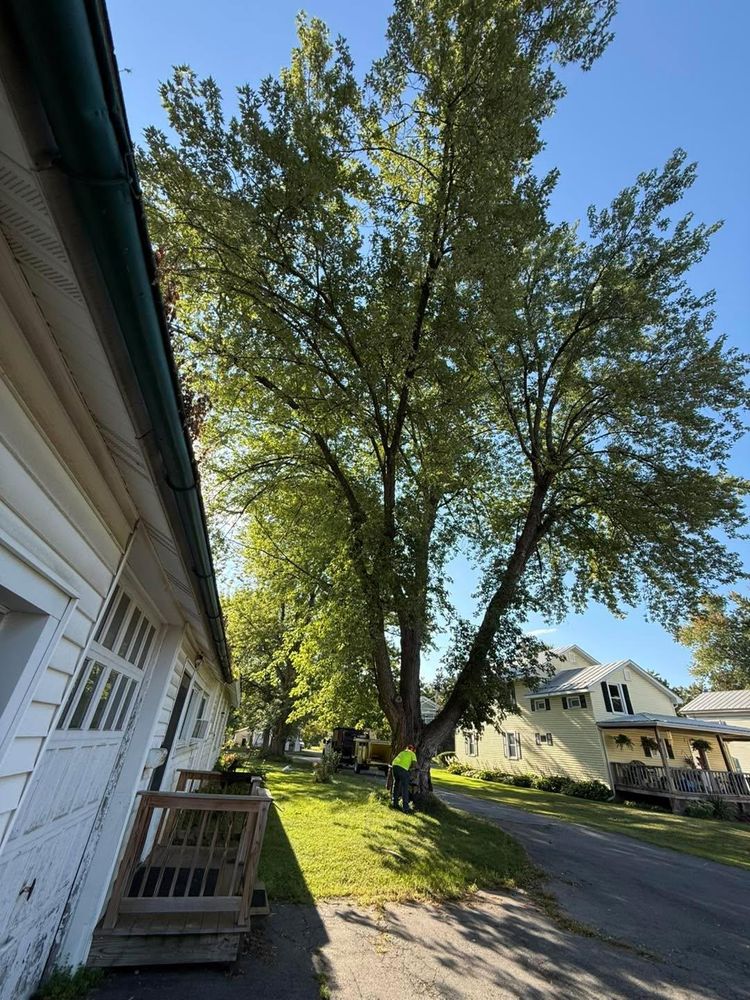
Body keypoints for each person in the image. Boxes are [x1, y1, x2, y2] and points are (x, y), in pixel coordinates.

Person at [390, 744, 417, 813]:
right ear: (412, 749)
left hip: (394, 767)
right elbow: (414, 764)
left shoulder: (402, 752)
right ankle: (405, 808)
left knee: (396, 784)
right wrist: (413, 769)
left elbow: (396, 760)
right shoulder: (412, 753)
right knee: (405, 788)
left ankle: (394, 803)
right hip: (403, 769)